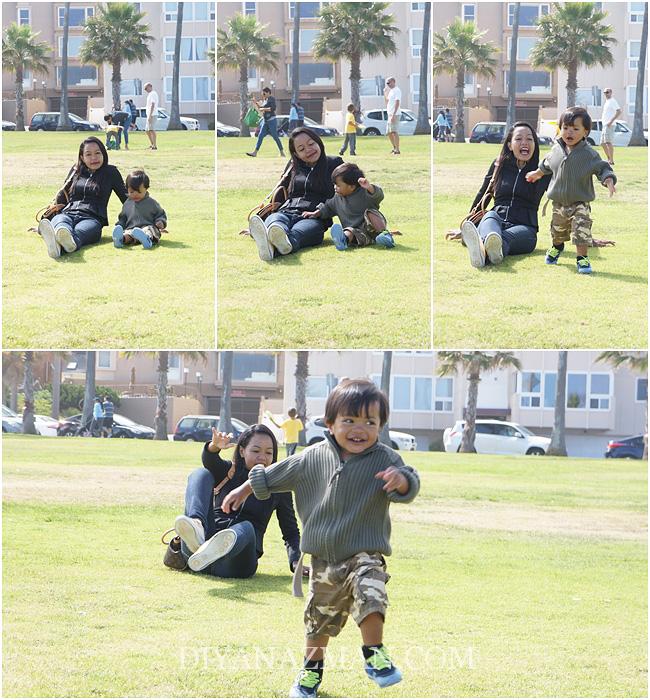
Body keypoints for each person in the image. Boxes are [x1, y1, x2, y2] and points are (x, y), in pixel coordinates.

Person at [221, 379, 420, 699]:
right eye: (349, 420)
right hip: (324, 561)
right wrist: (243, 488)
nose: (360, 429)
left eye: (371, 422)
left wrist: (401, 482)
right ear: (330, 423)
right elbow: (275, 474)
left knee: (372, 593)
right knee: (318, 622)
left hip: (364, 554)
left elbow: (409, 483)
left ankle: (374, 653)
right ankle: (311, 673)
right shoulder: (312, 457)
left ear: (381, 425)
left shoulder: (385, 459)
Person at [165, 425, 302, 579]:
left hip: (236, 563)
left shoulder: (279, 487)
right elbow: (210, 460)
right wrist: (214, 447)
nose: (262, 457)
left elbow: (290, 531)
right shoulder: (229, 472)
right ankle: (197, 526)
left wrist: (295, 561)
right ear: (242, 451)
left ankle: (216, 549)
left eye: (269, 453)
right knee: (200, 473)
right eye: (256, 451)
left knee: (247, 527)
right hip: (200, 548)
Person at [526, 106, 616, 274]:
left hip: (579, 202)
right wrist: (536, 174)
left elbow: (602, 168)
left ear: (585, 132)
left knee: (581, 230)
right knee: (557, 232)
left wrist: (608, 180)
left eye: (575, 129)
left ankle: (582, 259)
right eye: (566, 128)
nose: (569, 132)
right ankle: (557, 247)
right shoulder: (556, 150)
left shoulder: (589, 154)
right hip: (558, 203)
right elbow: (547, 165)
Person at [460, 122, 551, 268]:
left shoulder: (543, 171)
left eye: (529, 139)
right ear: (509, 145)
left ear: (535, 144)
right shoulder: (499, 165)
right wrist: (467, 225)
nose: (524, 143)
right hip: (496, 219)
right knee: (489, 217)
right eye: (519, 139)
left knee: (502, 239)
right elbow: (483, 193)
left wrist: (583, 237)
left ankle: (481, 252)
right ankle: (488, 250)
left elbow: (562, 199)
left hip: (525, 228)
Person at [247, 127, 343, 261]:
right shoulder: (293, 165)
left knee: (296, 234)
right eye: (302, 149)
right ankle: (269, 237)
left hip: (313, 218)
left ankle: (270, 248)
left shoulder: (335, 163)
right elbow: (281, 190)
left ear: (318, 142)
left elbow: (346, 191)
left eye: (311, 144)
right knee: (276, 224)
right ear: (296, 154)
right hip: (285, 212)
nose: (308, 150)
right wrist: (261, 222)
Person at [37, 136, 128, 259]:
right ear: (82, 157)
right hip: (68, 213)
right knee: (61, 223)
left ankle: (57, 245)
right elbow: (63, 194)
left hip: (92, 219)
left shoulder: (111, 172)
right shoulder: (76, 170)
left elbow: (126, 198)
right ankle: (57, 238)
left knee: (77, 234)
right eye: (88, 154)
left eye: (97, 153)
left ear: (104, 154)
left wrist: (145, 221)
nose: (94, 158)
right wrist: (47, 217)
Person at [302, 162, 395, 250]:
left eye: (338, 185)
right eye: (334, 184)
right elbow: (327, 208)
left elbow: (378, 195)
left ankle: (385, 235)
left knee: (371, 212)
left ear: (352, 186)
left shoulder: (364, 193)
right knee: (349, 232)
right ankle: (343, 240)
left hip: (374, 229)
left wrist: (369, 187)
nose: (335, 187)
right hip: (359, 234)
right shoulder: (336, 198)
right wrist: (315, 213)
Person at [112, 169, 167, 250]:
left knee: (149, 230)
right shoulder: (127, 203)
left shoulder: (151, 203)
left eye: (139, 192)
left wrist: (160, 222)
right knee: (128, 233)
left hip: (148, 226)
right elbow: (123, 217)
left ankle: (147, 239)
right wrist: (120, 225)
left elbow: (160, 214)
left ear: (146, 189)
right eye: (131, 192)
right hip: (132, 228)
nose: (135, 195)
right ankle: (120, 239)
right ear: (127, 189)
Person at [246, 87, 285, 158]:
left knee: (275, 137)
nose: (263, 94)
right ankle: (255, 152)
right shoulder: (265, 100)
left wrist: (263, 108)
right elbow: (261, 108)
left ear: (268, 92)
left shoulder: (271, 99)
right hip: (265, 121)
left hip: (272, 121)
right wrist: (256, 103)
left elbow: (273, 108)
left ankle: (282, 152)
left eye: (264, 93)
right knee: (260, 136)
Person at [600, 87, 621, 165]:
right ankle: (609, 159)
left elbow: (619, 111)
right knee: (602, 143)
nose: (606, 94)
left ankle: (611, 160)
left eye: (607, 92)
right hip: (604, 125)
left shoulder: (612, 101)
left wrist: (611, 121)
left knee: (608, 142)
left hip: (609, 125)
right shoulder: (607, 102)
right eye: (605, 92)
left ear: (611, 92)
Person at [383, 77, 401, 155]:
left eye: (389, 83)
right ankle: (394, 148)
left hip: (395, 114)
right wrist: (384, 93)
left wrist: (393, 114)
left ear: (393, 82)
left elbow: (397, 102)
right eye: (387, 83)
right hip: (390, 114)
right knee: (389, 132)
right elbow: (387, 101)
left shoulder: (397, 90)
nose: (388, 85)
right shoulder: (391, 91)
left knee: (394, 132)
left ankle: (397, 150)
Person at [144, 82, 159, 150]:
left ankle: (155, 145)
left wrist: (150, 115)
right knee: (147, 130)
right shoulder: (150, 94)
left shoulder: (153, 93)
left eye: (146, 88)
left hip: (152, 114)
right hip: (149, 115)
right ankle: (152, 144)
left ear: (150, 86)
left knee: (152, 130)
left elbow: (153, 104)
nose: (145, 90)